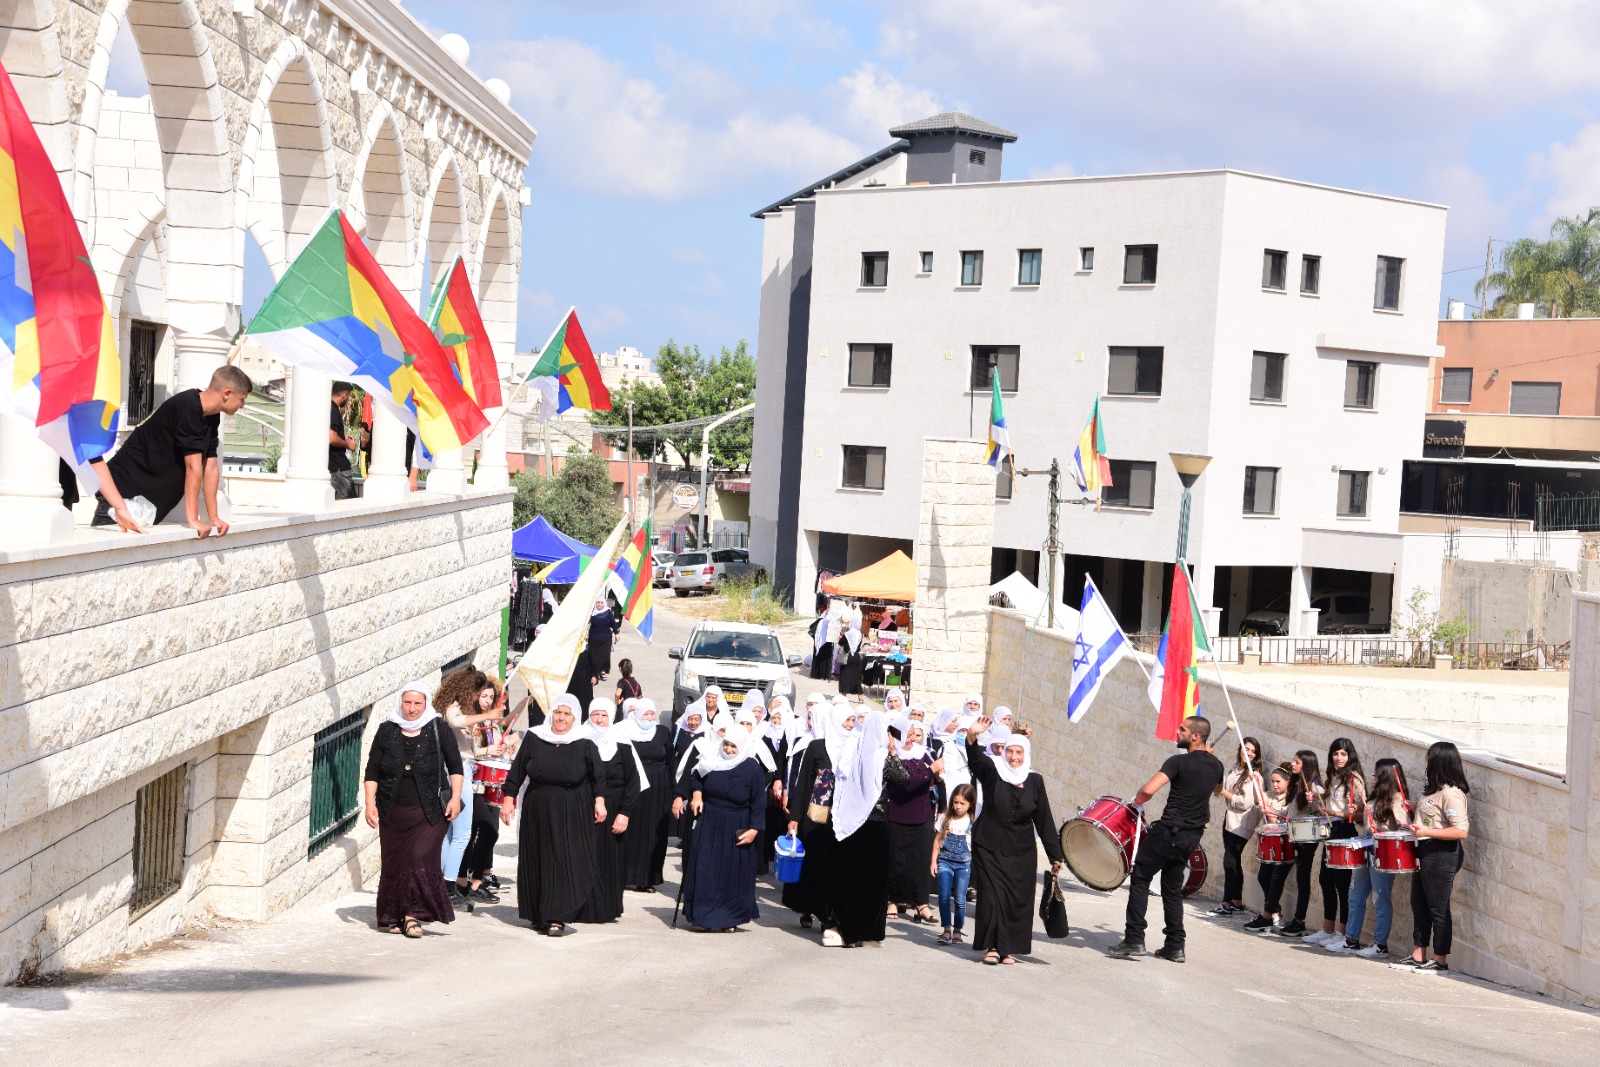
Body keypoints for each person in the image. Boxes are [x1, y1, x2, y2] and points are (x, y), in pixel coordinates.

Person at [1107, 716, 1224, 963]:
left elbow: (1148, 790)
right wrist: (1208, 758)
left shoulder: (1177, 762)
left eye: (1182, 729)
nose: (1177, 732)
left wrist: (1136, 802)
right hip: (1191, 837)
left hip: (1169, 831)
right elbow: (1216, 790)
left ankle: (1134, 939)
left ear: (1195, 736)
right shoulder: (1217, 766)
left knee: (1140, 878)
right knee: (1171, 889)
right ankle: (1174, 946)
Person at [89, 365, 252, 536]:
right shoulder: (187, 406)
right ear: (227, 393)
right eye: (242, 398)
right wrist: (193, 520)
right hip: (124, 492)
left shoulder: (211, 415)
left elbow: (210, 467)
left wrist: (214, 517)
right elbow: (193, 467)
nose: (243, 405)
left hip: (145, 502)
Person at [498, 693, 604, 936]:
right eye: (558, 712)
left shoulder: (585, 740)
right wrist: (508, 799)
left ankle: (557, 916)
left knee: (563, 858)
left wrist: (599, 801)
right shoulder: (536, 737)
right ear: (551, 713)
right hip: (537, 805)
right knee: (537, 856)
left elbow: (598, 775)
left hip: (571, 806)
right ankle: (538, 913)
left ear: (575, 718)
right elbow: (517, 770)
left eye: (567, 714)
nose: (561, 718)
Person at [363, 682, 463, 938]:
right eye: (407, 702)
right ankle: (394, 915)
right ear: (400, 703)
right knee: (395, 864)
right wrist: (369, 802)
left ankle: (411, 915)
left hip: (430, 812)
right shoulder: (387, 730)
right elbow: (372, 770)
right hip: (391, 810)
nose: (412, 708)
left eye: (417, 703)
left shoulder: (438, 728)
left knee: (419, 858)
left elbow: (455, 767)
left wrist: (455, 798)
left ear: (426, 704)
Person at [961, 717, 1064, 965]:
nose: (1014, 757)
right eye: (1010, 751)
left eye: (1019, 752)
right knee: (993, 896)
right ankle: (993, 947)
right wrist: (972, 737)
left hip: (1021, 851)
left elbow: (1044, 820)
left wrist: (1055, 856)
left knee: (1016, 900)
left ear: (1026, 753)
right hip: (989, 846)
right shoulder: (993, 772)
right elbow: (976, 760)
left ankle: (1007, 948)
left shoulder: (1035, 780)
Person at [1394, 741, 1471, 973]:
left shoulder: (1451, 793)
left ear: (1439, 761)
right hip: (1425, 851)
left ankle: (1440, 960)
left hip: (1442, 853)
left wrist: (1426, 831)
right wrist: (1415, 807)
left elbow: (1461, 831)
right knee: (1419, 903)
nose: (1426, 762)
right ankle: (1418, 954)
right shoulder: (1435, 790)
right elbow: (1434, 816)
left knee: (1438, 907)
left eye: (1430, 758)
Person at [682, 726, 768, 931]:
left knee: (733, 874)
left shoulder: (752, 768)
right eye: (726, 744)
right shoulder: (711, 759)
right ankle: (704, 916)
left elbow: (759, 802)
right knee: (706, 870)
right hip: (710, 822)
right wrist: (697, 795)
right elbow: (696, 778)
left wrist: (755, 829)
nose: (728, 750)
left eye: (733, 746)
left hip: (738, 825)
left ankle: (729, 919)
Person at [437, 668, 507, 908]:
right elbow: (457, 721)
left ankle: (441, 881)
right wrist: (487, 715)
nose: (479, 698)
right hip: (458, 773)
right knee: (463, 834)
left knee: (451, 834)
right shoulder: (452, 709)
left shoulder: (458, 707)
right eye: (477, 693)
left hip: (465, 770)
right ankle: (447, 884)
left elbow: (470, 746)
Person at [576, 699, 643, 923]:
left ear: (612, 717)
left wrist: (625, 813)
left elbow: (633, 782)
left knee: (611, 859)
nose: (599, 719)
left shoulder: (622, 743)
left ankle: (606, 908)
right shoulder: (578, 739)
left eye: (604, 715)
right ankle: (580, 907)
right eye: (595, 714)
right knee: (583, 856)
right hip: (585, 807)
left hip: (615, 810)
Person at [1337, 757, 1411, 957]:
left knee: (1380, 898)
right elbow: (1369, 819)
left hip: (1384, 851)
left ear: (1385, 775)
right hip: (1366, 845)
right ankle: (1351, 939)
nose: (1373, 776)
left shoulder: (1396, 798)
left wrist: (1384, 833)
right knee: (1355, 894)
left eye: (1376, 773)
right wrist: (1359, 812)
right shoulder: (1376, 795)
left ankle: (1380, 945)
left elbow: (1406, 828)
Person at [1305, 737, 1367, 949]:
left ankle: (1343, 932)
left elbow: (1360, 812)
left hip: (1345, 831)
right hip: (1331, 830)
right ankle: (1327, 928)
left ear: (1350, 756)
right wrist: (1317, 800)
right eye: (1335, 753)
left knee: (1342, 884)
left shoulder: (1354, 779)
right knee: (1325, 879)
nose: (1339, 758)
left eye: (1343, 754)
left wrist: (1336, 812)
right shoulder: (1333, 777)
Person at [459, 706, 519, 895]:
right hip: (472, 785)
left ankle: (473, 880)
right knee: (480, 832)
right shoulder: (470, 722)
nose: (488, 701)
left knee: (485, 831)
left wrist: (512, 741)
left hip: (488, 786)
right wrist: (488, 750)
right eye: (484, 696)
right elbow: (467, 752)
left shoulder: (491, 722)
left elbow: (506, 725)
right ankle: (470, 880)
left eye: (491, 698)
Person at [885, 716, 938, 923]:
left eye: (912, 735)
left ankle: (922, 904)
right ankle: (893, 900)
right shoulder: (891, 757)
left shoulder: (922, 754)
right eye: (906, 735)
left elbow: (932, 778)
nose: (910, 740)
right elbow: (906, 783)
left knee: (920, 861)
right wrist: (931, 771)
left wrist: (936, 775)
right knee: (896, 862)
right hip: (897, 815)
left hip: (922, 816)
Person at [620, 698, 674, 891]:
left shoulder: (662, 732)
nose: (650, 718)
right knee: (631, 830)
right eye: (646, 714)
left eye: (652, 713)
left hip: (658, 787)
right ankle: (625, 876)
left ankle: (647, 878)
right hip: (633, 785)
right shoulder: (624, 730)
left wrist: (673, 791)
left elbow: (670, 760)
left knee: (653, 832)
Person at [1275, 748, 1324, 938]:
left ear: (1306, 765)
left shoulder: (1315, 787)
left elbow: (1320, 812)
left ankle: (1299, 921)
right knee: (1291, 876)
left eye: (1297, 762)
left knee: (1303, 879)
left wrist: (1315, 802)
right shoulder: (1297, 784)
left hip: (1307, 837)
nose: (1293, 764)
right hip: (1295, 833)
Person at [1212, 736, 1263, 916]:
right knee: (1234, 862)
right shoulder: (1235, 769)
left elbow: (1244, 803)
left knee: (1229, 861)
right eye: (1245, 748)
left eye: (1252, 751)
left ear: (1256, 756)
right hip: (1230, 819)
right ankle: (1237, 902)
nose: (1247, 753)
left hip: (1242, 823)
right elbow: (1223, 791)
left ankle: (1226, 903)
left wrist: (1223, 792)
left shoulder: (1254, 776)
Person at [1244, 766, 1296, 933]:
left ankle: (1269, 915)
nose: (1274, 785)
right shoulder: (1269, 796)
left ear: (1287, 782)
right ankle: (1276, 911)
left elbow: (1276, 823)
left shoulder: (1291, 800)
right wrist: (1256, 780)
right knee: (1263, 876)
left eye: (1278, 782)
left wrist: (1270, 813)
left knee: (1276, 879)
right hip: (1270, 846)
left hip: (1285, 845)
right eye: (1272, 781)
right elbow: (1259, 792)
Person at [931, 783, 977, 946]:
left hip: (963, 865)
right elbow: (937, 841)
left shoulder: (972, 821)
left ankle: (957, 929)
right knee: (943, 897)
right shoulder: (945, 818)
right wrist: (933, 862)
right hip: (945, 862)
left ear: (970, 804)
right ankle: (946, 929)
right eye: (955, 802)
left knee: (960, 899)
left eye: (962, 803)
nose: (958, 806)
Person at [329, 381, 358, 499]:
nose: (348, 400)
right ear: (345, 395)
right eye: (349, 396)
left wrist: (342, 437)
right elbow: (331, 438)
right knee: (352, 506)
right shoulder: (333, 410)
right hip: (338, 468)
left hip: (330, 466)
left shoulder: (325, 408)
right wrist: (347, 444)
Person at [588, 598, 616, 680]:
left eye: (601, 603)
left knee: (604, 655)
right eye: (598, 602)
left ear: (604, 603)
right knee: (593, 656)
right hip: (594, 638)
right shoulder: (592, 612)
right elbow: (586, 624)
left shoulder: (608, 612)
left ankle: (602, 671)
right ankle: (594, 672)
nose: (599, 604)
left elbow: (613, 623)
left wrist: (617, 633)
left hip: (606, 638)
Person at [836, 625, 865, 696]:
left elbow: (840, 643)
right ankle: (860, 697)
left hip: (847, 657)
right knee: (856, 677)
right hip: (856, 657)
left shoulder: (847, 635)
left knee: (844, 676)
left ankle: (844, 694)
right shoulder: (859, 635)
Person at [809, 608, 834, 680]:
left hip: (819, 642)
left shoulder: (821, 620)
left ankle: (817, 674)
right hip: (826, 642)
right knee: (825, 658)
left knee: (819, 657)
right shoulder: (826, 621)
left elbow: (811, 626)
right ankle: (824, 675)